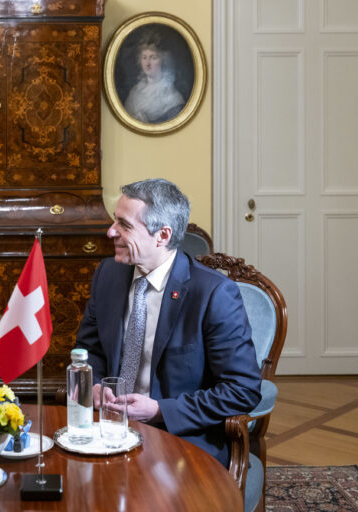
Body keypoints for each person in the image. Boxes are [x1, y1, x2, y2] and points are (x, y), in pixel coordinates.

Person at [75, 178, 261, 467]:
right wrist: (95, 385)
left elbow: (242, 389)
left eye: (124, 225)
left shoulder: (213, 293)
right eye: (115, 221)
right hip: (108, 430)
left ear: (162, 235)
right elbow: (89, 351)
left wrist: (160, 410)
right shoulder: (108, 274)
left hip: (181, 440)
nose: (110, 231)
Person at [123, 34, 185, 124]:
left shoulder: (173, 97)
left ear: (163, 60)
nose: (147, 63)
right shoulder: (135, 92)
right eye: (144, 57)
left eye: (153, 58)